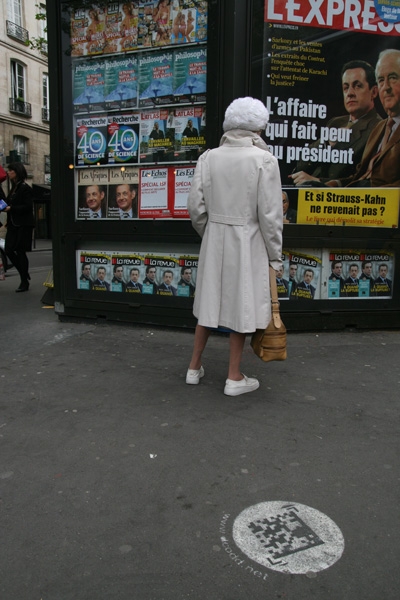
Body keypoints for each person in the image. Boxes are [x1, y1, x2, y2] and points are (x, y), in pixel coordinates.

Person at [186, 97, 283, 396]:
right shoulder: (264, 160)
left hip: (215, 238)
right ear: (257, 127)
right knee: (241, 305)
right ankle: (233, 376)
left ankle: (193, 368)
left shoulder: (208, 157)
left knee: (209, 304)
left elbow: (195, 209)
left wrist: (213, 231)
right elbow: (270, 216)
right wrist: (275, 257)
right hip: (248, 241)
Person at [289, 60, 381, 186]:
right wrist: (326, 142)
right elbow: (300, 165)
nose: (350, 93)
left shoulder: (379, 127)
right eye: (346, 87)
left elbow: (363, 179)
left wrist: (318, 182)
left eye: (357, 86)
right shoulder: (336, 122)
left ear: (374, 92)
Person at [327, 50, 400, 188]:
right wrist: (335, 184)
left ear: (372, 92)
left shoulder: (374, 124)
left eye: (392, 77)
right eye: (381, 80)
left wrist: (366, 195)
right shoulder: (381, 127)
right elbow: (361, 176)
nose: (386, 87)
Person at [2, 163, 35, 292]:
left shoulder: (25, 188)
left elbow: (27, 206)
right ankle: (23, 272)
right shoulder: (14, 188)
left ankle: (24, 281)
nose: (8, 172)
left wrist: (12, 208)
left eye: (10, 170)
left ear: (17, 172)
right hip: (13, 224)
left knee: (20, 252)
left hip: (23, 224)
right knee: (8, 249)